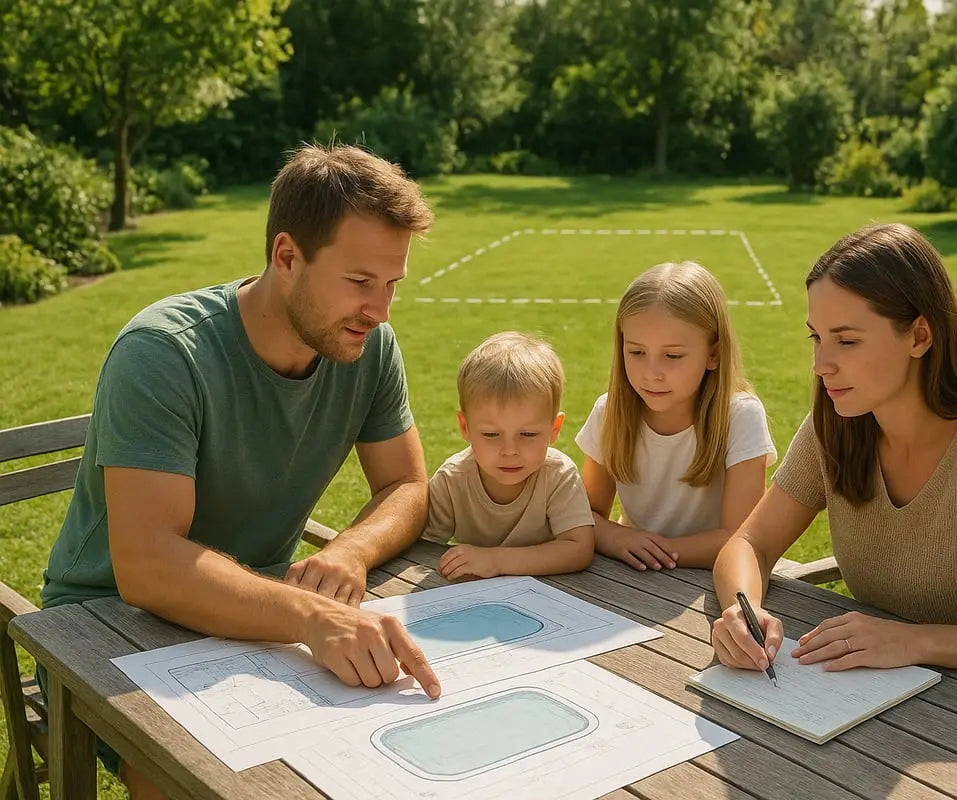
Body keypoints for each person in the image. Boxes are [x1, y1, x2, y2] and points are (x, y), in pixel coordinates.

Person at [40, 144, 441, 797]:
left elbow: (406, 484)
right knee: (189, 773)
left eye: (391, 285)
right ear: (287, 257)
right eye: (361, 282)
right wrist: (312, 618)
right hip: (104, 620)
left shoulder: (369, 346)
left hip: (254, 607)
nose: (381, 310)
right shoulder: (164, 354)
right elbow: (146, 566)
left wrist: (350, 549)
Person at [711, 223, 957, 681]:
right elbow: (749, 543)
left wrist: (916, 640)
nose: (821, 365)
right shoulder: (837, 425)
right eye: (816, 337)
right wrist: (740, 611)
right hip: (868, 694)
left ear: (920, 335)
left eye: (846, 340)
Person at [576, 261, 776, 571]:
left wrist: (653, 550)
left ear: (713, 355)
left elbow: (741, 538)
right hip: (632, 573)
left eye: (672, 356)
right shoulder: (609, 412)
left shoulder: (740, 417)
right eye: (636, 352)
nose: (651, 374)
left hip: (709, 582)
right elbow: (583, 516)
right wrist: (618, 538)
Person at [425, 332, 595, 579]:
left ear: (554, 429)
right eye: (492, 434)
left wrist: (496, 561)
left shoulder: (558, 476)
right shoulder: (453, 480)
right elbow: (423, 547)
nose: (509, 450)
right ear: (465, 427)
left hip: (553, 595)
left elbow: (579, 548)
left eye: (527, 434)